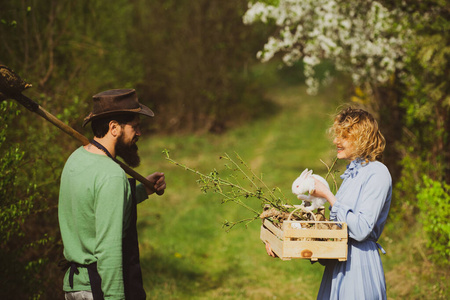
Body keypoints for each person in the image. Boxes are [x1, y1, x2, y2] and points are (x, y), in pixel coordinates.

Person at [266, 107, 392, 300]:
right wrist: (284, 242)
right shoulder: (352, 173)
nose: (336, 141)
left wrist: (328, 195)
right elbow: (337, 230)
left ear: (361, 138)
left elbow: (360, 229)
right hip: (338, 267)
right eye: (337, 135)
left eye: (343, 136)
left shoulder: (378, 173)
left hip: (358, 268)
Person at [58, 89, 166, 300]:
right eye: (135, 127)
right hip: (99, 289)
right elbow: (109, 251)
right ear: (114, 127)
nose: (139, 133)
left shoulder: (76, 158)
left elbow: (94, 207)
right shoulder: (112, 176)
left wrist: (143, 190)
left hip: (74, 288)